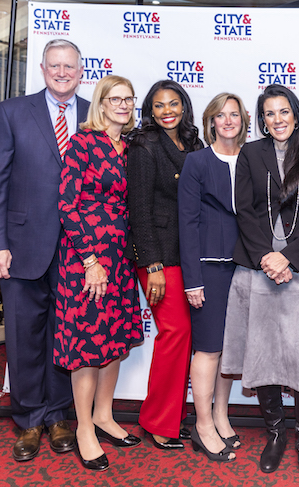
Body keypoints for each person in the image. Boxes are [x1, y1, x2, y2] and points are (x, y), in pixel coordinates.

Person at [221, 84, 299, 487]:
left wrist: (287, 257)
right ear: (262, 120)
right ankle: (275, 436)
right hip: (258, 270)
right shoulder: (250, 155)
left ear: (297, 115)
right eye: (269, 113)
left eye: (284, 112)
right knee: (265, 355)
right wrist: (266, 258)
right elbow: (246, 211)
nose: (277, 119)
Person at [0, 38, 87, 462]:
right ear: (43, 69)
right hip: (21, 246)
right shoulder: (11, 112)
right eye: (55, 65)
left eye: (70, 66)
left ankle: (59, 415)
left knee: (66, 335)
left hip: (79, 251)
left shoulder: (96, 115)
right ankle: (27, 419)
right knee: (24, 337)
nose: (62, 72)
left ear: (81, 71)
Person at [55, 75, 143, 471]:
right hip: (87, 259)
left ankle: (105, 415)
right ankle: (84, 428)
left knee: (115, 340)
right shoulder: (83, 142)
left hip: (122, 257)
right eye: (115, 99)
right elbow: (67, 204)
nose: (123, 105)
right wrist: (90, 260)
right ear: (102, 103)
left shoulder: (131, 147)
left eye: (129, 99)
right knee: (87, 346)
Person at [126, 80, 203, 450]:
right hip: (159, 256)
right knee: (175, 335)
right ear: (150, 111)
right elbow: (138, 208)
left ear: (184, 107)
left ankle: (169, 416)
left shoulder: (192, 143)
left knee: (184, 338)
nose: (167, 111)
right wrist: (152, 264)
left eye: (174, 104)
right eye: (159, 105)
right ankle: (157, 421)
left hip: (190, 252)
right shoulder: (144, 146)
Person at [178, 93, 248, 461]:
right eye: (220, 115)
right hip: (208, 268)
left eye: (234, 114)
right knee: (207, 348)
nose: (227, 121)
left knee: (229, 349)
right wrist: (192, 279)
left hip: (246, 267)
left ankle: (221, 415)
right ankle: (202, 424)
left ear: (243, 120)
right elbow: (186, 223)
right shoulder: (197, 162)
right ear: (211, 122)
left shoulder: (253, 159)